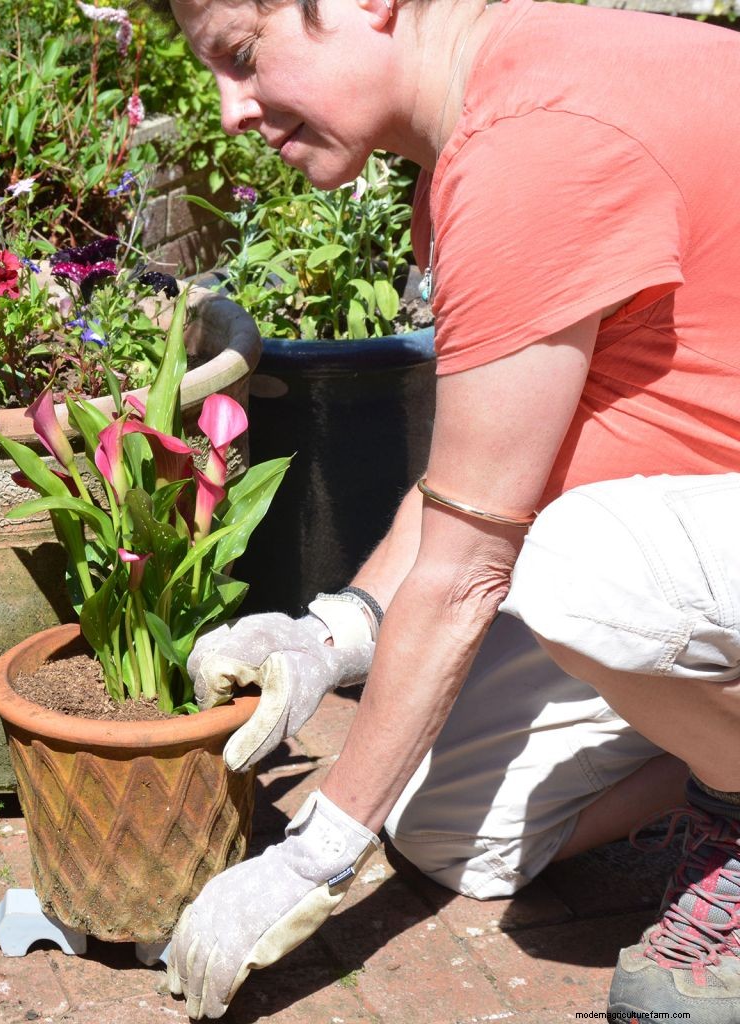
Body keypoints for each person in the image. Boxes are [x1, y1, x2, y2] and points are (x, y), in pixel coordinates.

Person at [149, 0, 740, 1020]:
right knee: (452, 831)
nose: (228, 108)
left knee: (577, 576)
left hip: (671, 533)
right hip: (700, 514)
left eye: (244, 56)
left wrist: (315, 855)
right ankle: (711, 748)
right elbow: (479, 482)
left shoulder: (531, 148)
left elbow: (472, 563)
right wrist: (330, 635)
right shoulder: (487, 111)